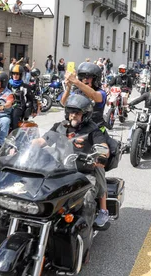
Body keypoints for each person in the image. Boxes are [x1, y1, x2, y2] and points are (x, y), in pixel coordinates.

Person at [45, 95, 110, 227]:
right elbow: (41, 141)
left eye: (77, 113)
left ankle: (86, 227)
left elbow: (104, 147)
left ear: (85, 115)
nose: (73, 115)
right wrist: (22, 145)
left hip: (84, 171)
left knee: (86, 199)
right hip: (59, 171)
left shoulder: (92, 130)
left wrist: (102, 154)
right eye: (70, 112)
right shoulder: (59, 127)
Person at [61, 62, 107, 127]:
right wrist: (68, 87)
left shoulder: (101, 93)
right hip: (78, 128)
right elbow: (64, 103)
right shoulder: (77, 92)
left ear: (95, 79)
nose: (85, 79)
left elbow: (94, 95)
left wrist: (76, 81)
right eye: (82, 76)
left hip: (95, 129)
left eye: (88, 77)